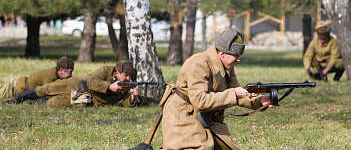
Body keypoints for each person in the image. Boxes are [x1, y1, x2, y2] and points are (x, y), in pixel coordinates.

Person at [159, 27, 275, 150]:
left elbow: (238, 91)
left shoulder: (227, 66)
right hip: (183, 116)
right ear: (222, 54)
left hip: (205, 117)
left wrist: (261, 101)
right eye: (235, 55)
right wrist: (234, 94)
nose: (238, 59)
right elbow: (200, 101)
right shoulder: (199, 63)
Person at [2, 60, 139, 107]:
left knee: (52, 102)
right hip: (76, 84)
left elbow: (125, 103)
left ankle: (28, 103)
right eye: (125, 75)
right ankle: (16, 99)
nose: (127, 78)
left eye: (129, 76)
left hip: (84, 99)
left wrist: (132, 97)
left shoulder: (126, 86)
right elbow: (92, 82)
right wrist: (109, 86)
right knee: (45, 89)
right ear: (117, 73)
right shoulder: (106, 70)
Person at [0, 56, 74, 99]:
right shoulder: (50, 76)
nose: (71, 75)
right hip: (17, 87)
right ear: (61, 70)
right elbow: (47, 93)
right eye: (70, 72)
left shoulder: (55, 74)